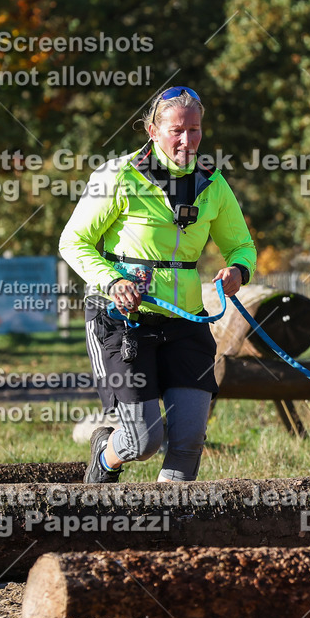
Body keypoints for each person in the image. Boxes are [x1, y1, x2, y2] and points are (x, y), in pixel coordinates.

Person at [59, 85, 256, 483]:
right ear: (152, 130)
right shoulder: (117, 175)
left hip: (185, 323)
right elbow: (73, 241)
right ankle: (105, 454)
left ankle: (168, 530)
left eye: (195, 130)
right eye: (176, 130)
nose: (188, 140)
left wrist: (238, 270)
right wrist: (113, 281)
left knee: (187, 440)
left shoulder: (212, 183)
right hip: (122, 320)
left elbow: (242, 245)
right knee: (143, 440)